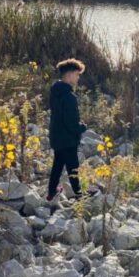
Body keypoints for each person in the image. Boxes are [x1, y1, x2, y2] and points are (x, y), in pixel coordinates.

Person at [48, 58, 87, 201]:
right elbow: (70, 123)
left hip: (56, 136)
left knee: (58, 164)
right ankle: (80, 196)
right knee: (73, 168)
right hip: (67, 139)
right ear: (69, 75)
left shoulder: (55, 91)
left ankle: (51, 192)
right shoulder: (69, 97)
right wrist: (81, 127)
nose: (78, 78)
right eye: (77, 74)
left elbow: (60, 116)